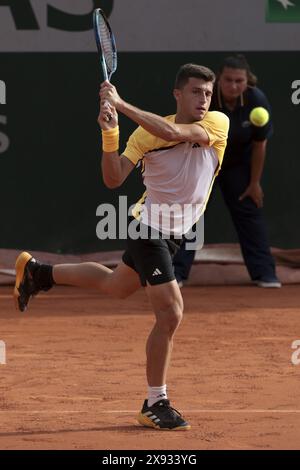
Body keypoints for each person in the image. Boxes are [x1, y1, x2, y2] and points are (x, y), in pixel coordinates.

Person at [14, 64, 229, 430]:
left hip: (176, 235)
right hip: (150, 230)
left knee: (117, 286)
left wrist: (122, 105)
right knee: (171, 313)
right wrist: (111, 133)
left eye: (208, 93)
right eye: (196, 92)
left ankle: (38, 273)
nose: (204, 100)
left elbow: (174, 131)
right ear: (177, 94)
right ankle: (155, 402)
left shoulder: (216, 123)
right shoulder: (144, 138)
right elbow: (113, 178)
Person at [173, 55, 281, 288]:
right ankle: (176, 273)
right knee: (191, 215)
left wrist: (254, 183)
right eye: (228, 80)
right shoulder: (206, 100)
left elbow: (260, 145)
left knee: (249, 214)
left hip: (237, 166)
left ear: (247, 81)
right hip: (204, 162)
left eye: (239, 81)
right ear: (219, 80)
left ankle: (265, 274)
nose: (233, 86)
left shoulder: (256, 101)